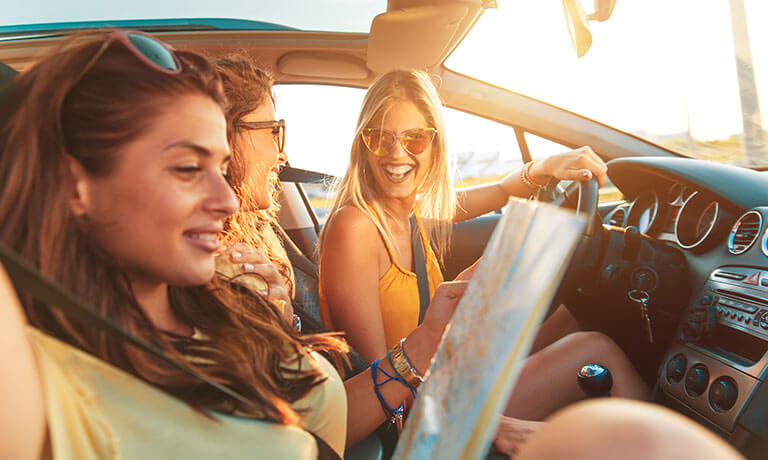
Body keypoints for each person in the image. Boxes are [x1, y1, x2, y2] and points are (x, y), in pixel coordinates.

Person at [0, 32, 745, 460]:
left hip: (390, 416)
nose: (225, 199)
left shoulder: (216, 309)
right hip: (408, 438)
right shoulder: (54, 387)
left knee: (598, 379)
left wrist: (426, 342)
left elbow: (331, 414)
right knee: (617, 423)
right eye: (188, 168)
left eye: (224, 164)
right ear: (76, 185)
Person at [317, 69, 650, 421]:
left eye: (414, 138)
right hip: (421, 411)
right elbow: (380, 384)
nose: (397, 154)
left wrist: (548, 165)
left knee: (571, 319)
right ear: (362, 145)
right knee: (595, 350)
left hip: (445, 371)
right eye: (380, 138)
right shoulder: (355, 227)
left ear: (435, 144)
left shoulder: (408, 212)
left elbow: (503, 190)